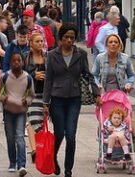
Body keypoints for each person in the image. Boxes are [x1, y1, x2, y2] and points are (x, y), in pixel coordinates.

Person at [43, 23, 98, 177]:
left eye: (72, 38)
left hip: (74, 98)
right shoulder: (52, 55)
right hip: (57, 99)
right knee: (59, 133)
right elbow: (48, 79)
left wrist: (96, 93)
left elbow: (88, 75)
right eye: (66, 37)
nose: (69, 40)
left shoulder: (81, 54)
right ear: (60, 38)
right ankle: (53, 158)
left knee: (71, 135)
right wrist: (45, 103)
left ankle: (68, 169)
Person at [0, 52, 34, 176]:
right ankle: (12, 162)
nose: (17, 63)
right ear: (10, 63)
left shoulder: (28, 78)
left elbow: (31, 94)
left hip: (21, 111)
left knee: (19, 136)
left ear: (23, 62)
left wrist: (27, 101)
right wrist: (5, 99)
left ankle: (21, 164)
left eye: (19, 60)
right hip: (8, 111)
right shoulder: (4, 77)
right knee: (10, 137)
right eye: (14, 61)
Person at [25, 32, 46, 164]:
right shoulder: (26, 58)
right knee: (33, 121)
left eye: (41, 41)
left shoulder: (48, 57)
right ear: (31, 44)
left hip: (45, 94)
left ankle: (40, 147)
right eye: (37, 41)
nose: (40, 44)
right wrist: (33, 75)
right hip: (31, 94)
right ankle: (34, 150)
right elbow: (20, 74)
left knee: (42, 122)